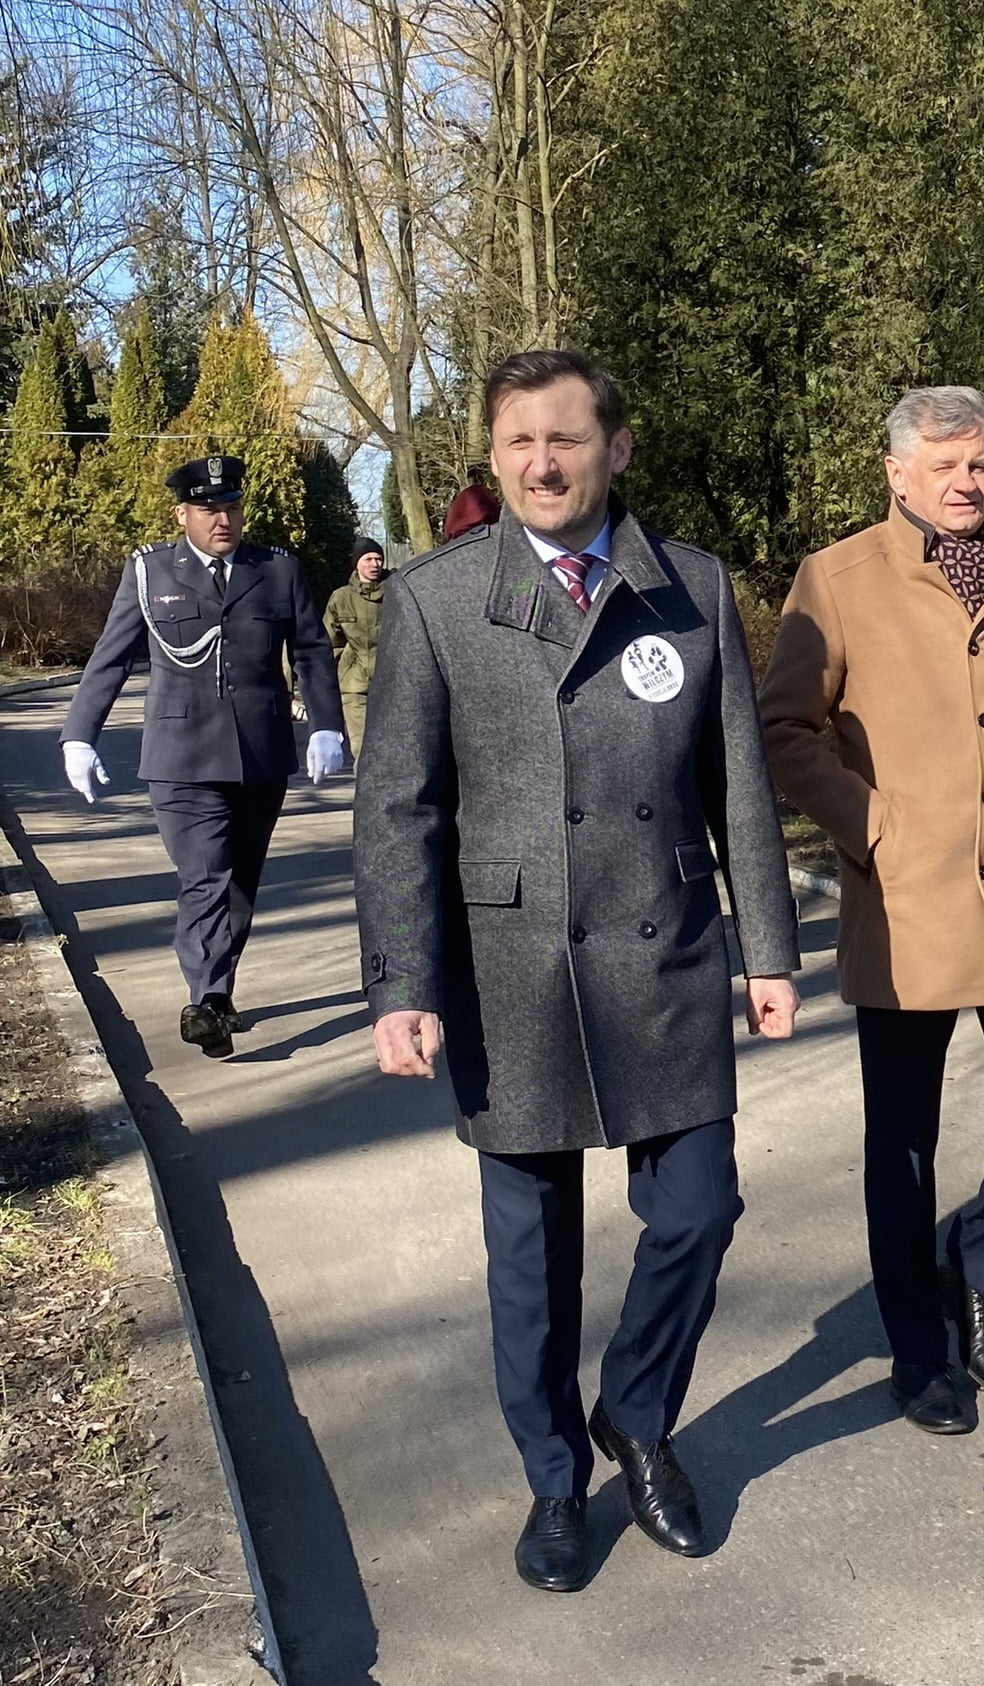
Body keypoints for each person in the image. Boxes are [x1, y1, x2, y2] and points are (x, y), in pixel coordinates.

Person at [353, 348, 799, 1594]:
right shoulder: (437, 599)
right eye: (519, 443)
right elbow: (398, 808)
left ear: (616, 448)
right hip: (512, 969)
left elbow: (739, 785)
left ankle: (637, 1415)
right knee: (531, 1258)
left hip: (665, 951)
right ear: (494, 457)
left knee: (699, 1209)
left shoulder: (691, 587)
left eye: (566, 439)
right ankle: (554, 1480)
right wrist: (403, 983)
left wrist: (769, 949)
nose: (542, 464)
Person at [759, 386, 984, 1434]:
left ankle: (971, 1262)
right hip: (908, 902)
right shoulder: (837, 578)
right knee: (904, 1143)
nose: (968, 483)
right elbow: (785, 729)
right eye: (946, 466)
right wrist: (870, 825)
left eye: (979, 464)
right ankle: (919, 1353)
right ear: (897, 473)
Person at [59, 455, 345, 1059]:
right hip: (181, 759)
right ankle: (206, 999)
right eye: (209, 509)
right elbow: (112, 656)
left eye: (232, 508)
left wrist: (326, 726)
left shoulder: (276, 570)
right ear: (181, 514)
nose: (223, 520)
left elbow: (312, 651)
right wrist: (79, 735)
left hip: (260, 755)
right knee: (205, 874)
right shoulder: (151, 571)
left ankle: (218, 991)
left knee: (241, 880)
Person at [322, 536, 388, 757]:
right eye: (368, 559)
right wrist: (340, 672)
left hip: (393, 682)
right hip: (355, 686)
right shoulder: (341, 598)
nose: (375, 564)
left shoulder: (397, 593)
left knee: (394, 750)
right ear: (356, 564)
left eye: (378, 559)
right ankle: (364, 781)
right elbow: (330, 642)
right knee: (362, 749)